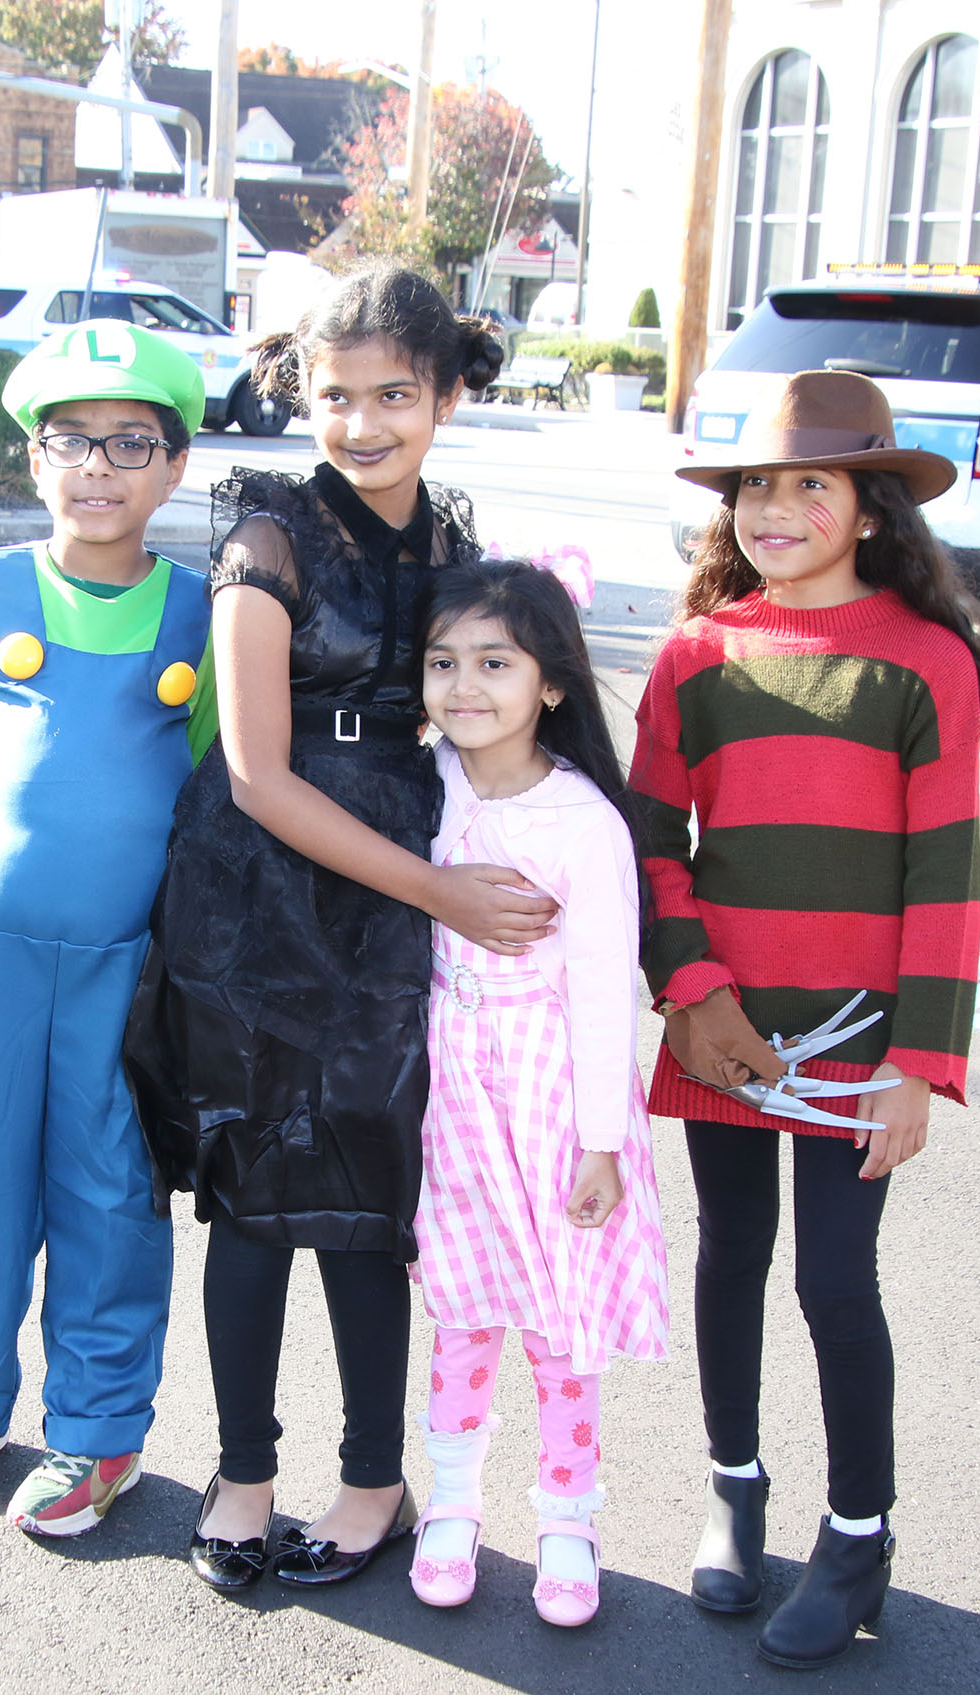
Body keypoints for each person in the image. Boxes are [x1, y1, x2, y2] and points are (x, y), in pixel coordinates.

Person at [123, 264, 557, 1594]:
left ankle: (377, 1476)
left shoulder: (457, 547)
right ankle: (242, 1470)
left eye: (395, 396)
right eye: (335, 395)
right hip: (260, 890)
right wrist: (439, 891)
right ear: (298, 392)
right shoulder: (265, 537)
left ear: (448, 394)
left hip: (397, 888)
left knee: (375, 1192)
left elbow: (511, 717)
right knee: (255, 1196)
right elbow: (257, 772)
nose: (363, 423)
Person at [632, 370, 980, 1669]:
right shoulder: (695, 653)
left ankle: (858, 1534)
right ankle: (734, 1482)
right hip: (722, 1023)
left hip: (857, 1039)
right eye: (756, 485)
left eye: (811, 483)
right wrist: (687, 988)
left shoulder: (926, 660)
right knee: (730, 1246)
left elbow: (946, 874)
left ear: (869, 510)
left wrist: (917, 1062)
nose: (776, 506)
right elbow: (648, 840)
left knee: (834, 1277)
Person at [0, 322, 215, 1539]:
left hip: (128, 974)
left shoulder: (205, 615)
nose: (98, 467)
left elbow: (230, 796)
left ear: (173, 467)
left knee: (110, 1196)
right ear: (33, 459)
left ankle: (96, 1430)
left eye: (130, 442)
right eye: (70, 439)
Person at [407, 557, 669, 1628]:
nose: (463, 685)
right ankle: (450, 1504)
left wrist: (600, 1139)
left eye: (494, 662)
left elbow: (605, 985)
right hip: (449, 1089)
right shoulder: (422, 783)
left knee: (561, 1320)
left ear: (549, 683)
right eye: (441, 661)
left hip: (555, 1095)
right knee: (460, 1308)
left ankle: (567, 1515)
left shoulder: (583, 821)